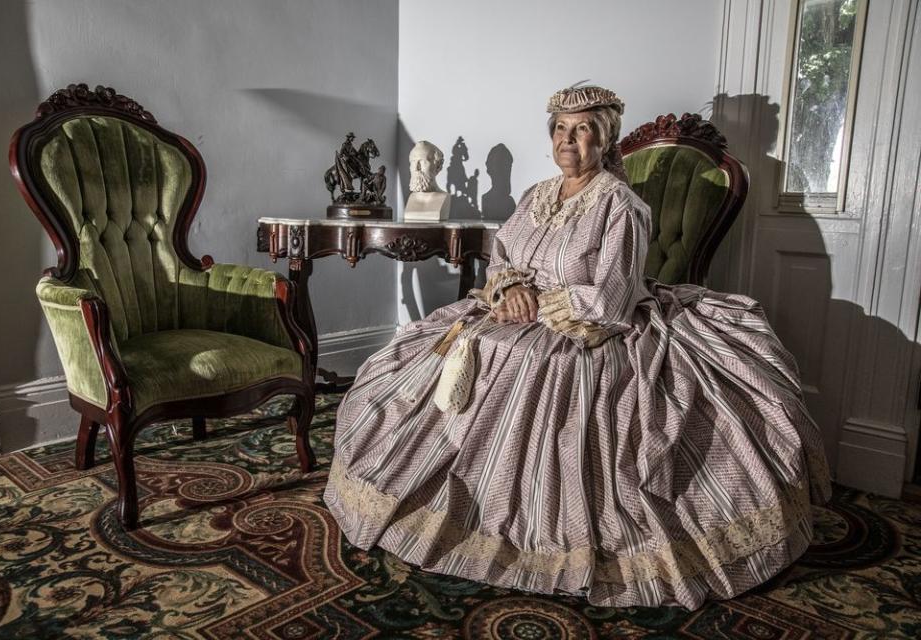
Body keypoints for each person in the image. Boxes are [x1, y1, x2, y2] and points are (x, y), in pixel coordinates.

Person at [324, 85, 831, 609]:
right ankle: (438, 490)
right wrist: (508, 288)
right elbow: (500, 261)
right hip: (511, 312)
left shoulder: (620, 205)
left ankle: (526, 521)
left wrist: (533, 301)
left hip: (590, 327)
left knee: (529, 357)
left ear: (603, 138)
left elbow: (612, 297)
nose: (569, 140)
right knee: (428, 347)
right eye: (561, 129)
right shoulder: (536, 196)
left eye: (583, 129)